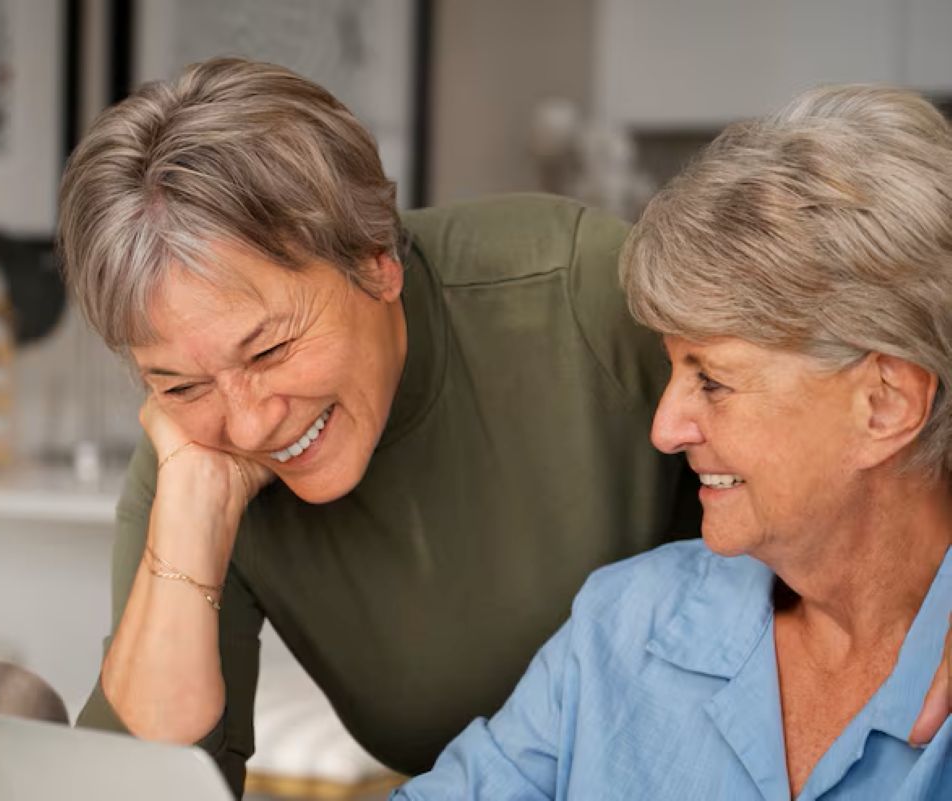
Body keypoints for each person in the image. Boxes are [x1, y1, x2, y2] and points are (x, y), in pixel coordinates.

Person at [57, 57, 701, 795]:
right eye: (178, 381)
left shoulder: (585, 294)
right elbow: (133, 791)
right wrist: (192, 522)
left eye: (269, 349)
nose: (249, 421)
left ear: (376, 259)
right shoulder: (195, 451)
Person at [394, 84, 952, 800]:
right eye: (672, 368)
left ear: (886, 402)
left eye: (712, 379)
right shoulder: (624, 624)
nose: (665, 428)